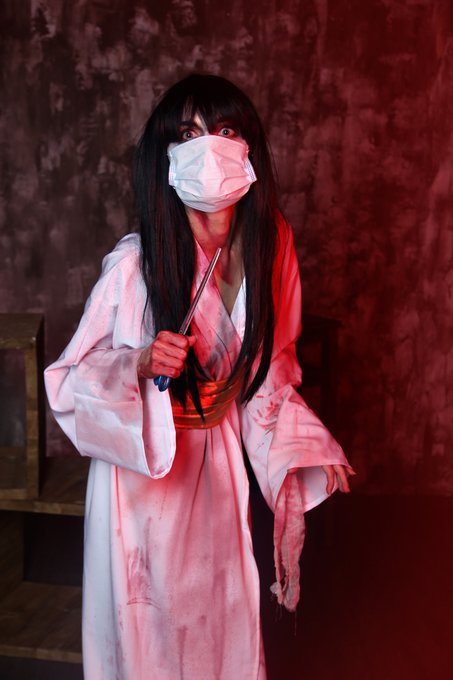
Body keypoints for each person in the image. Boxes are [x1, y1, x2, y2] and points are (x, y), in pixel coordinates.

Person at [45, 74, 353, 680]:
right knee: (149, 632)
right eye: (188, 134)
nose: (208, 147)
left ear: (249, 149)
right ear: (165, 156)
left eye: (225, 130)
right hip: (143, 477)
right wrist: (136, 363)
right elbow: (70, 381)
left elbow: (272, 367)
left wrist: (306, 443)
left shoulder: (271, 248)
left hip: (216, 460)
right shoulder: (135, 264)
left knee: (220, 616)